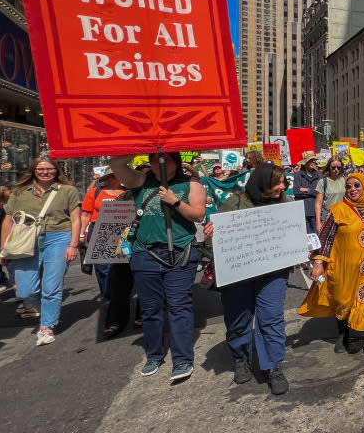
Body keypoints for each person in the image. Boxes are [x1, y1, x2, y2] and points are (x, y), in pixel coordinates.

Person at [109, 152, 207, 381]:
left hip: (180, 252)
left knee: (179, 306)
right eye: (154, 159)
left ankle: (182, 359)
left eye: (164, 159)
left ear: (175, 161)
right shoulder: (141, 180)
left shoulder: (191, 183)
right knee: (150, 309)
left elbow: (198, 214)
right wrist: (138, 145)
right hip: (145, 253)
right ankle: (154, 354)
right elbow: (116, 163)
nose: (158, 163)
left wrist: (175, 202)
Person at [204, 163, 291, 394]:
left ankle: (273, 366)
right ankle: (241, 357)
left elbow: (293, 233)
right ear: (262, 183)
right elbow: (215, 242)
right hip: (239, 273)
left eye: (283, 182)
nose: (282, 186)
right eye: (277, 182)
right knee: (239, 317)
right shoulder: (235, 202)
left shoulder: (285, 203)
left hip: (273, 273)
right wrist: (211, 235)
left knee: (271, 318)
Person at [304, 173, 364, 360]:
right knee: (344, 301)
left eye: (357, 185)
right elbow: (326, 238)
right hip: (344, 268)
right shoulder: (338, 209)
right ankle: (343, 334)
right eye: (348, 186)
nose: (352, 189)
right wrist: (318, 263)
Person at [0, 158, 82, 345]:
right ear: (33, 171)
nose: (45, 172)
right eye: (41, 169)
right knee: (25, 290)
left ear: (57, 170)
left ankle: (46, 326)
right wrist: (3, 249)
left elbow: (76, 219)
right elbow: (8, 220)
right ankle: (48, 311)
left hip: (59, 237)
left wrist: (73, 245)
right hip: (25, 240)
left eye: (50, 169)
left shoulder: (68, 190)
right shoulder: (20, 192)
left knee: (51, 286)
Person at [80, 169, 126, 302]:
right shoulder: (95, 192)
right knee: (102, 268)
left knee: (119, 267)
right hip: (99, 229)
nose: (115, 178)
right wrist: (81, 233)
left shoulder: (128, 192)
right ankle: (108, 297)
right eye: (112, 176)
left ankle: (117, 296)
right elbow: (86, 214)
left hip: (121, 230)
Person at [315, 156, 347, 232]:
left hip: (342, 216)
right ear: (329, 167)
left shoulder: (345, 180)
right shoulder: (322, 182)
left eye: (338, 167)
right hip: (328, 216)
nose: (336, 169)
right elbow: (318, 204)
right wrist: (318, 222)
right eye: (333, 167)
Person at [292, 152, 322, 233]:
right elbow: (296, 191)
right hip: (302, 210)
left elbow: (319, 192)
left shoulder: (319, 176)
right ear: (305, 162)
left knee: (316, 235)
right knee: (304, 235)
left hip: (315, 210)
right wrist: (312, 191)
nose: (313, 162)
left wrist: (306, 190)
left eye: (314, 160)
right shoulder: (298, 175)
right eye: (311, 160)